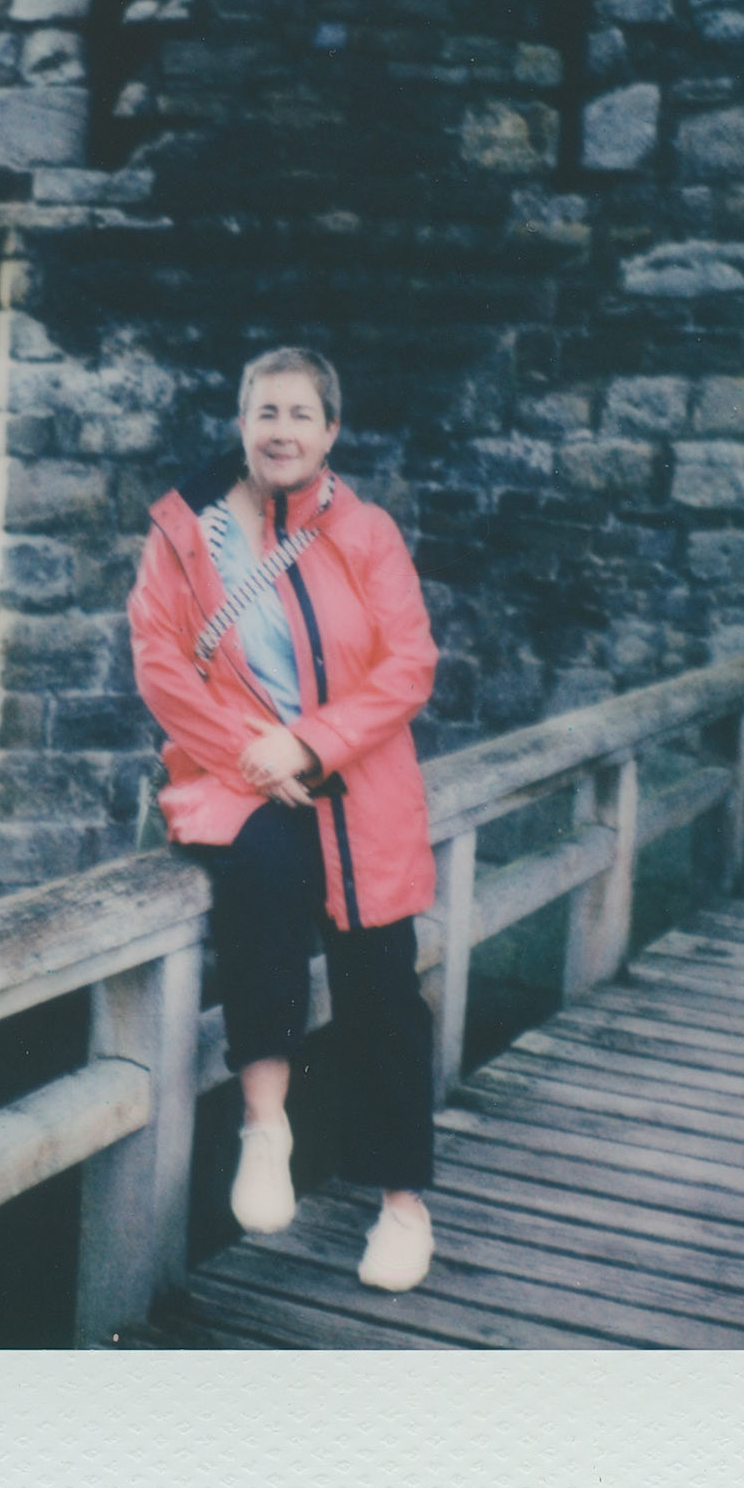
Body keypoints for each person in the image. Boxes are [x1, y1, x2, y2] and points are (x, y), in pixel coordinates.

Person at [127, 346, 441, 1292]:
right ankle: (266, 1125)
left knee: (381, 984)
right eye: (266, 412)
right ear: (242, 423)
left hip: (355, 779)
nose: (281, 431)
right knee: (259, 884)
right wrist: (247, 757)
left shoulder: (367, 532)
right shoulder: (181, 534)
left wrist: (308, 744)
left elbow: (408, 665)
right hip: (235, 777)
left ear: (329, 432)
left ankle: (402, 1205)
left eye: (300, 415)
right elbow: (159, 663)